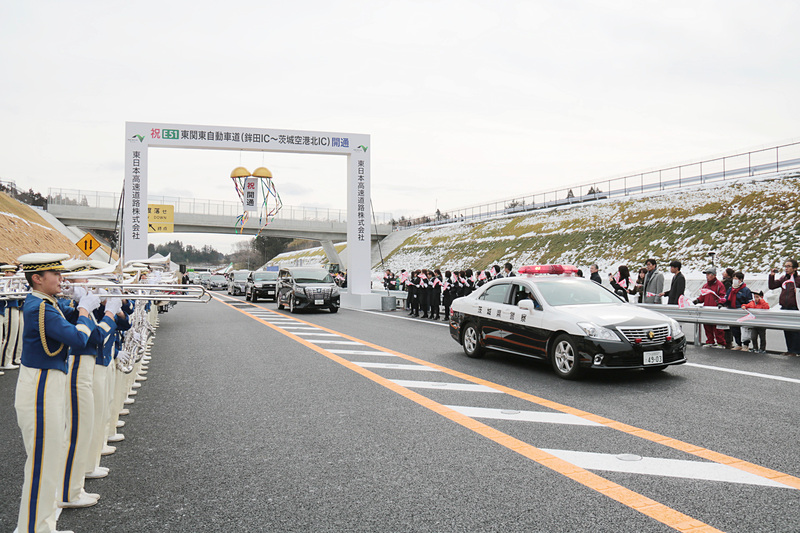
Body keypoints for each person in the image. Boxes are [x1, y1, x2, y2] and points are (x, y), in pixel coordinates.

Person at [14, 253, 102, 533]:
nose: (61, 278)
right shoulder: (40, 308)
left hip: (45, 384)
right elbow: (76, 339)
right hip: (40, 387)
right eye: (55, 274)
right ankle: (33, 529)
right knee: (43, 462)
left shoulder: (45, 304)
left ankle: (41, 526)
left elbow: (66, 323)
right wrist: (86, 310)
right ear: (37, 279)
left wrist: (79, 303)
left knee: (49, 459)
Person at [768, 258, 800, 356]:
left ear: (795, 268)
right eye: (785, 266)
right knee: (786, 330)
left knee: (795, 331)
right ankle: (790, 349)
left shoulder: (798, 279)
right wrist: (772, 276)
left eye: (788, 266)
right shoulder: (784, 278)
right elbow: (772, 286)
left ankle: (795, 351)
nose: (786, 268)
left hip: (795, 307)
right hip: (784, 307)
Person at [693, 267, 727, 347]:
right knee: (707, 326)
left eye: (708, 274)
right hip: (707, 309)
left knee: (717, 328)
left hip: (715, 309)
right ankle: (710, 341)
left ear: (714, 275)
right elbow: (703, 296)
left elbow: (722, 296)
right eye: (706, 274)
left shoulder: (719, 285)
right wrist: (698, 300)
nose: (707, 276)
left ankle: (720, 343)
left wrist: (720, 303)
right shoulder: (705, 286)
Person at [726, 271, 753, 350]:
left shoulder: (746, 290)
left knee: (745, 330)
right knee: (734, 329)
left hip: (742, 311)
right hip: (733, 311)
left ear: (741, 280)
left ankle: (745, 345)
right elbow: (726, 298)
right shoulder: (731, 289)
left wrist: (746, 306)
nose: (734, 280)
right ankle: (738, 343)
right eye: (733, 278)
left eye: (736, 279)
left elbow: (750, 302)